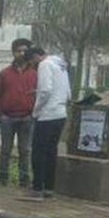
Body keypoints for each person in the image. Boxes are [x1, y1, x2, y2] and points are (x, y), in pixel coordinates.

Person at [21, 46, 71, 201]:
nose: (33, 66)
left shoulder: (45, 65)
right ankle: (49, 187)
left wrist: (36, 110)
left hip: (47, 115)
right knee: (51, 152)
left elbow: (46, 91)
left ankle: (37, 188)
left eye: (31, 62)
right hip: (60, 113)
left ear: (36, 56)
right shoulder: (60, 65)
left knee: (38, 152)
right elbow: (67, 92)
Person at [0, 38, 36, 187]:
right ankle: (2, 177)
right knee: (5, 149)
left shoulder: (35, 73)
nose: (21, 53)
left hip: (27, 117)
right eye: (18, 51)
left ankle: (24, 179)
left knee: (25, 150)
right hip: (7, 117)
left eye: (24, 51)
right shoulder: (4, 73)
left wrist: (33, 113)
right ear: (13, 52)